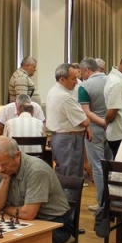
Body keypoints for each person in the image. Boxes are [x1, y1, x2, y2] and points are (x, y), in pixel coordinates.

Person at [0, 137, 76, 243]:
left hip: (56, 223)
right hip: (27, 222)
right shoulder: (1, 169)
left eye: (4, 164)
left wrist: (4, 208)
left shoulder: (36, 170)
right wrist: (5, 180)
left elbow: (28, 214)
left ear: (17, 155)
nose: (1, 169)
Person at [46, 63, 91, 195]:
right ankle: (69, 206)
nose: (76, 82)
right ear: (62, 79)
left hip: (61, 137)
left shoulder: (53, 91)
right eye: (73, 78)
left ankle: (64, 204)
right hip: (69, 139)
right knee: (71, 177)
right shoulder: (64, 97)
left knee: (64, 174)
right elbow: (85, 121)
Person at [78, 57, 112, 211]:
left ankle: (102, 202)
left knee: (97, 166)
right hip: (113, 128)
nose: (81, 76)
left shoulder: (84, 86)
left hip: (95, 129)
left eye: (82, 72)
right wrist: (108, 122)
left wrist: (102, 122)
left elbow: (86, 112)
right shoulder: (112, 81)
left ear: (86, 70)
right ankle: (112, 201)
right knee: (111, 165)